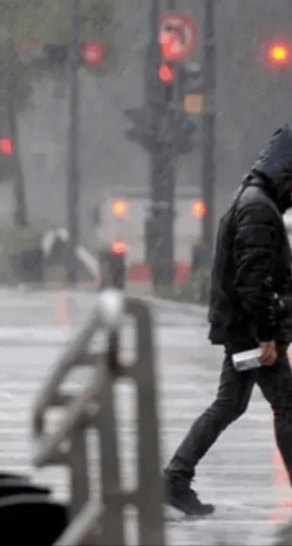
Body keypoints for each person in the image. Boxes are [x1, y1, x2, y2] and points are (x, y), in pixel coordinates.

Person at [164, 125, 292, 516]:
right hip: (253, 334)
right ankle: (175, 476)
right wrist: (267, 335)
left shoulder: (250, 199)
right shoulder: (257, 207)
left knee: (230, 404)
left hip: (245, 331)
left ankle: (176, 477)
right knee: (287, 406)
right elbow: (254, 279)